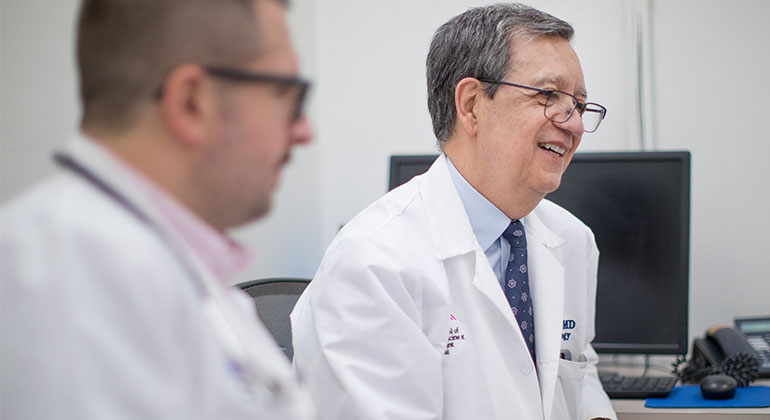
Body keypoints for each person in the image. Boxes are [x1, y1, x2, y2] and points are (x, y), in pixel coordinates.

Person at [291, 3, 615, 420]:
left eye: (579, 104)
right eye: (549, 96)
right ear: (472, 104)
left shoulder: (572, 241)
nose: (571, 124)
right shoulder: (373, 263)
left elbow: (576, 370)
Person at [0, 0, 314, 419]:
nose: (304, 132)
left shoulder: (159, 261)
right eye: (287, 97)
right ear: (191, 102)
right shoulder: (71, 265)